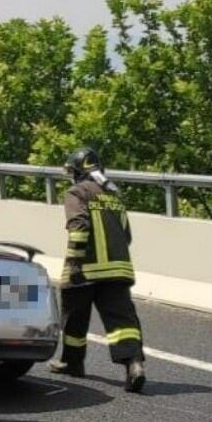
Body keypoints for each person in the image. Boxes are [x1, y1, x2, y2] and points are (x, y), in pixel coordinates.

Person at [49, 147, 147, 393]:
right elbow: (127, 235)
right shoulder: (114, 195)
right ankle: (134, 364)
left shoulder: (77, 192)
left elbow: (79, 228)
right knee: (122, 321)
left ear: (78, 172)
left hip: (86, 269)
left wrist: (73, 265)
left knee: (74, 317)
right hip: (117, 270)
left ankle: (72, 362)